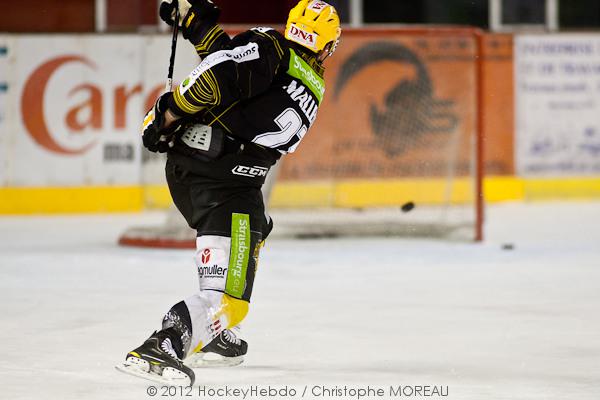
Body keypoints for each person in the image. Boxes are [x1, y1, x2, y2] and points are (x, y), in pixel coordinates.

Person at [117, 0, 341, 385]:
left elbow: (231, 67)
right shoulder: (289, 64)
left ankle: (211, 335)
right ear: (328, 46)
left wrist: (194, 24)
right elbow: (222, 72)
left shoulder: (275, 54)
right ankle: (164, 344)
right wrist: (169, 112)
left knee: (252, 235)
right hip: (222, 180)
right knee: (230, 301)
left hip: (214, 176)